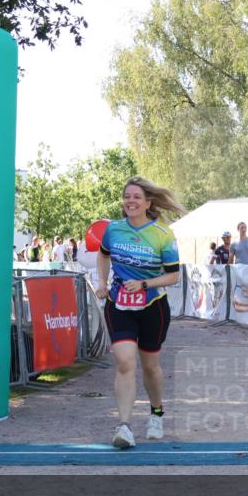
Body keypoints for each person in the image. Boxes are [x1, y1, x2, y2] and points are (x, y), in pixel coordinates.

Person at [95, 176, 184, 449]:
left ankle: (156, 412)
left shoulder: (163, 234)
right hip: (119, 304)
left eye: (136, 197)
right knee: (124, 363)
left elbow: (173, 276)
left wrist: (145, 283)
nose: (130, 201)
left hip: (152, 307)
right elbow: (103, 254)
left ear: (148, 202)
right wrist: (102, 282)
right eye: (127, 196)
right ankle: (124, 426)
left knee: (150, 366)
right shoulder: (113, 229)